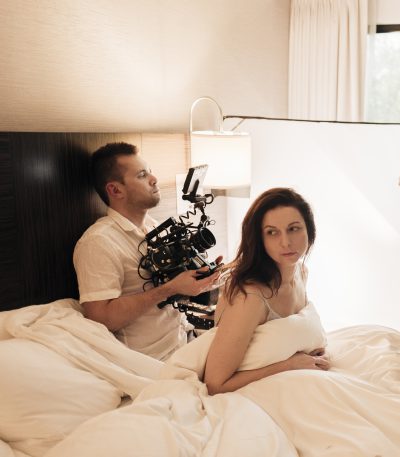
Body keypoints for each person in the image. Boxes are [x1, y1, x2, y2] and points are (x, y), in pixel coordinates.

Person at [73, 142, 222, 361]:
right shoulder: (98, 242)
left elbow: (172, 291)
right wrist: (169, 289)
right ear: (115, 190)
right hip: (152, 360)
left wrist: (201, 279)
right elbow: (100, 319)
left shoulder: (154, 227)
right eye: (142, 175)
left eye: (150, 172)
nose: (154, 179)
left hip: (185, 341)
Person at [204, 188, 329, 395]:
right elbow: (215, 384)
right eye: (272, 232)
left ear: (309, 230)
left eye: (294, 228)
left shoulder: (300, 271)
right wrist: (289, 365)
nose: (286, 242)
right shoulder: (251, 297)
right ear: (259, 239)